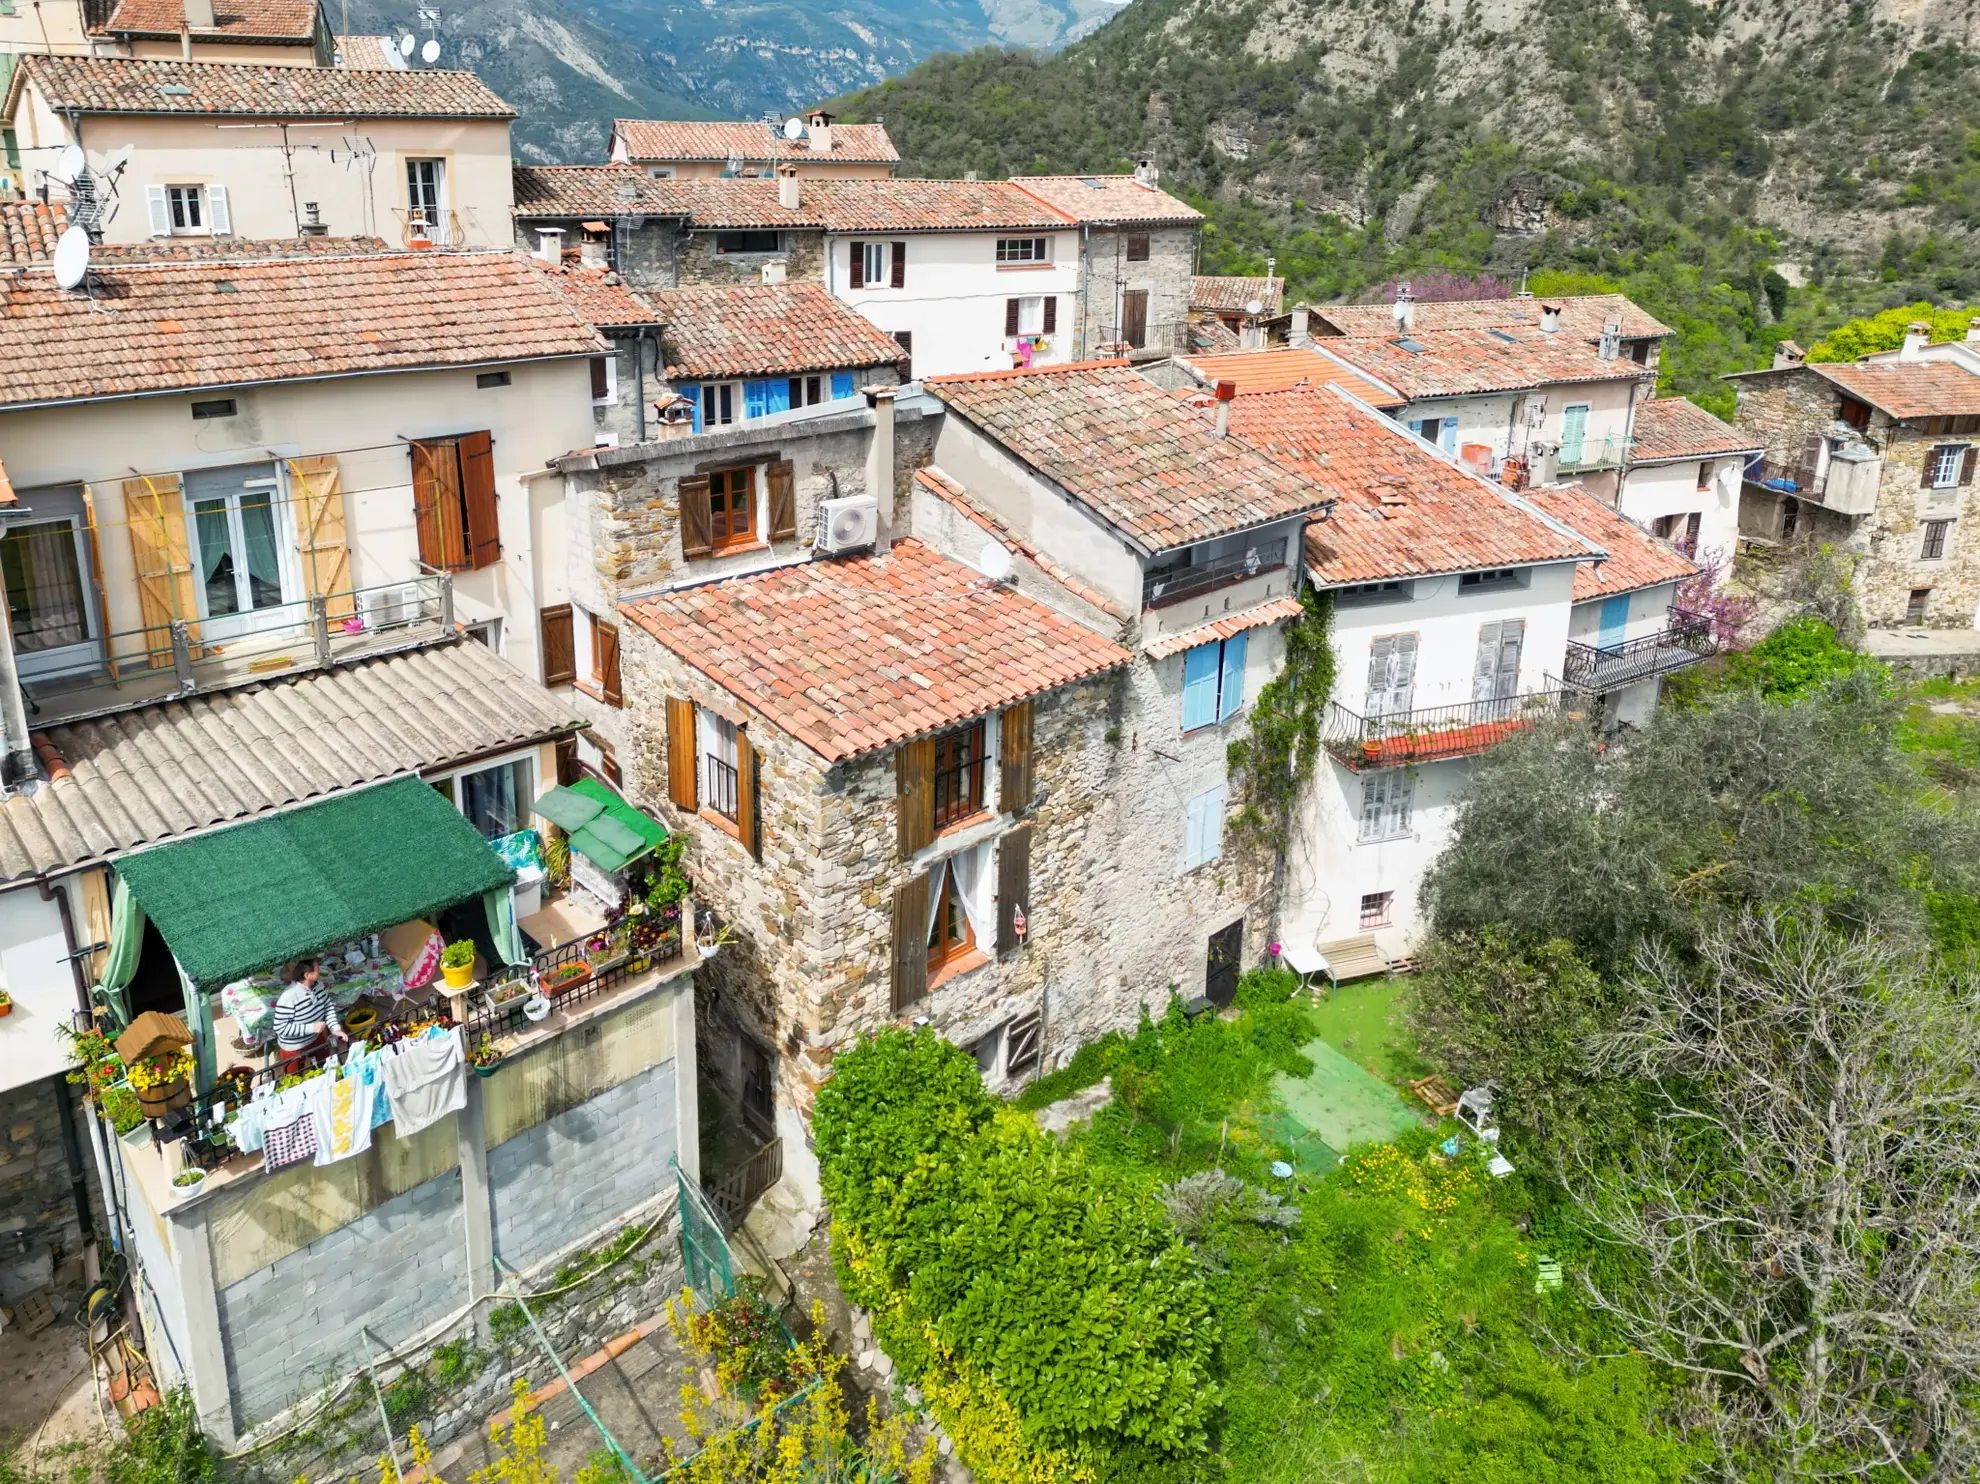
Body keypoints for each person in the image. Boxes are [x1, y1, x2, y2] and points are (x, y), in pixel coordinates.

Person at [270, 957, 347, 1056]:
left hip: (315, 1038)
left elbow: (328, 1007)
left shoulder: (319, 986)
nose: (320, 971)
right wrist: (311, 1028)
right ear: (307, 975)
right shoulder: (289, 997)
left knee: (324, 1063)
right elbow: (280, 1027)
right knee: (297, 1071)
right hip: (294, 1046)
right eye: (317, 970)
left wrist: (336, 1029)